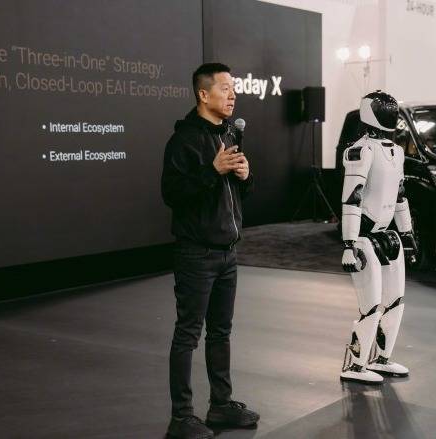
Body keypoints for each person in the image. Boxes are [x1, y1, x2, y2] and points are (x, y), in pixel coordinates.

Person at [161, 63, 258, 439]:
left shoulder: (230, 133)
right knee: (188, 333)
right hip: (196, 254)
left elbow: (233, 195)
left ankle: (220, 405)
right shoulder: (183, 140)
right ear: (203, 94)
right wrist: (211, 170)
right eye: (224, 88)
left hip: (227, 253)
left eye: (233, 88)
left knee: (221, 332)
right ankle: (181, 417)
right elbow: (172, 195)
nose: (232, 94)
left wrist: (245, 178)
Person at [339, 91, 418, 384]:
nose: (391, 112)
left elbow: (399, 196)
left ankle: (381, 359)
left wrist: (406, 232)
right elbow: (352, 197)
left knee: (395, 301)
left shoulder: (396, 151)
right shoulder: (360, 151)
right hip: (363, 236)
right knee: (370, 306)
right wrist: (349, 244)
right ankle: (355, 365)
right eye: (384, 108)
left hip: (388, 234)